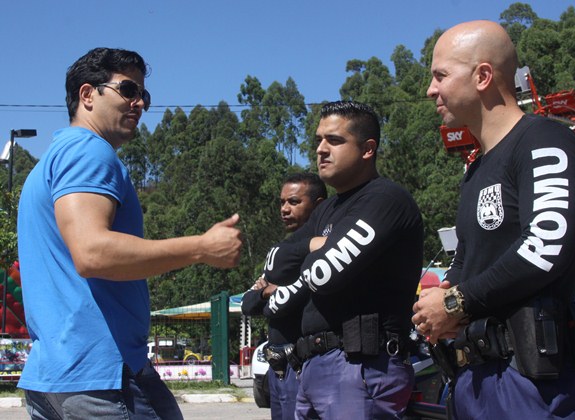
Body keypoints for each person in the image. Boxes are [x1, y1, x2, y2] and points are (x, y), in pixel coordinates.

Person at [17, 48, 243, 419]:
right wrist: (201, 248)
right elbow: (93, 253)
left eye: (144, 95)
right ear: (88, 95)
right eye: (127, 90)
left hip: (58, 377)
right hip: (102, 375)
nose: (139, 103)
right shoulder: (89, 151)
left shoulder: (54, 158)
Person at [411, 21, 575, 419]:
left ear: (482, 76)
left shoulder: (545, 140)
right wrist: (439, 301)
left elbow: (545, 247)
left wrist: (456, 302)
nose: (431, 90)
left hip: (529, 385)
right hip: (474, 380)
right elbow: (470, 257)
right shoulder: (475, 171)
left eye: (440, 75)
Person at [263, 101, 424, 419]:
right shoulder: (326, 210)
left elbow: (323, 275)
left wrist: (309, 257)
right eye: (319, 140)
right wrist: (314, 244)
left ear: (367, 149)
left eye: (334, 140)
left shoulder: (385, 200)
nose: (321, 149)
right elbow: (274, 265)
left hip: (360, 368)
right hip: (312, 367)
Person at [241, 172, 327, 420]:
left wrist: (270, 292)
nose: (285, 209)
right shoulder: (282, 248)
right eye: (282, 202)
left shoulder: (322, 247)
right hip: (276, 368)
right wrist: (267, 292)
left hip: (303, 364)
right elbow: (248, 303)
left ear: (318, 204)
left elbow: (281, 305)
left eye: (294, 202)